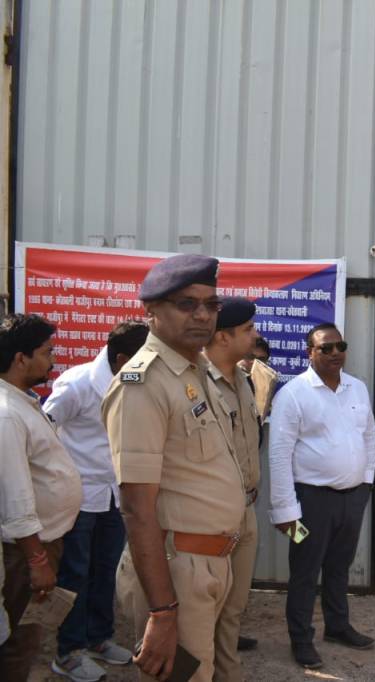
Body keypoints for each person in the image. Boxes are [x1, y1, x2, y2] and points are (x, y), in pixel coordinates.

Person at [102, 254, 245, 682]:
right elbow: (136, 508)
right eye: (186, 304)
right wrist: (163, 611)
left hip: (210, 563)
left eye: (211, 304)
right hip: (177, 569)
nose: (202, 314)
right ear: (151, 311)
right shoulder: (142, 384)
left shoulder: (196, 371)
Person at [45, 321, 149, 682]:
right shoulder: (77, 384)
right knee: (75, 573)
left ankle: (98, 638)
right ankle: (69, 652)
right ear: (122, 358)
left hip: (113, 495)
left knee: (105, 570)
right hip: (79, 496)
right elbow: (44, 430)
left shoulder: (134, 380)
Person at [269, 322, 375, 670]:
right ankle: (301, 640)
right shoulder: (293, 394)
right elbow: (279, 455)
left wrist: (366, 481)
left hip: (352, 498)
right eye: (325, 348)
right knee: (305, 571)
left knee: (339, 566)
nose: (334, 353)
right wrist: (285, 510)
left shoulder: (357, 388)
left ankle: (338, 626)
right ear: (309, 353)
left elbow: (369, 437)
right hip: (310, 502)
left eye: (339, 346)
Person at [0, 314, 83, 681]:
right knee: (18, 641)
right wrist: (37, 560)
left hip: (41, 544)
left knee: (28, 637)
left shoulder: (23, 403)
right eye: (47, 352)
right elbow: (15, 498)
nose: (53, 360)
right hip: (25, 550)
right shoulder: (7, 414)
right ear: (21, 359)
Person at [205, 298, 262, 681]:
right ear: (223, 337)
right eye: (248, 329)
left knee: (233, 609)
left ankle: (227, 674)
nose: (256, 335)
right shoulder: (195, 383)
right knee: (201, 611)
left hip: (245, 510)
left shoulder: (243, 380)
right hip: (209, 517)